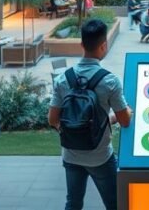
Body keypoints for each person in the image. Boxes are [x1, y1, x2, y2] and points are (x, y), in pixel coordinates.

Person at [49, 19, 132, 210]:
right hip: (100, 156)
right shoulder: (110, 81)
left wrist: (74, 129)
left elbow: (52, 120)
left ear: (81, 44)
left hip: (70, 154)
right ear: (104, 45)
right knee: (114, 203)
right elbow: (125, 120)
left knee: (73, 203)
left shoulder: (64, 79)